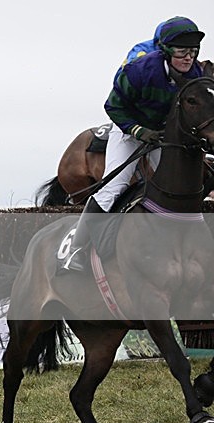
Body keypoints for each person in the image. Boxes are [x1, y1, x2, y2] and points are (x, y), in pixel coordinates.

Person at [63, 16, 205, 272]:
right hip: (128, 131)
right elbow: (113, 106)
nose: (188, 58)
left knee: (172, 186)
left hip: (161, 134)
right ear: (166, 51)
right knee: (113, 188)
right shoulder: (139, 71)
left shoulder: (194, 74)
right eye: (182, 51)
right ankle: (77, 251)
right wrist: (139, 130)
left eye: (193, 52)